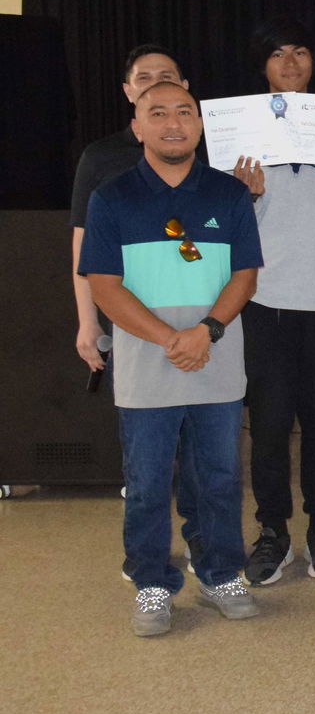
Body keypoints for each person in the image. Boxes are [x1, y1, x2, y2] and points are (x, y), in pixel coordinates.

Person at [79, 81, 262, 636]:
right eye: (157, 113)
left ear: (199, 125)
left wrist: (205, 331)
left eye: (185, 112)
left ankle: (221, 572)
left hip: (216, 361)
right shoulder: (110, 198)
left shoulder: (229, 195)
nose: (173, 123)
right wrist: (169, 338)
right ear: (137, 127)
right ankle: (153, 584)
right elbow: (105, 287)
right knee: (148, 481)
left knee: (219, 478)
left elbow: (245, 276)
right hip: (147, 367)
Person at [233, 17, 315, 585]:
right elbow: (224, 228)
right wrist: (246, 198)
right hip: (261, 300)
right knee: (266, 427)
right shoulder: (237, 130)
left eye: (301, 52)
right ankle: (271, 531)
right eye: (278, 54)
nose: (290, 63)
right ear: (263, 65)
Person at [70, 45, 203, 579]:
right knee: (145, 457)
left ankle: (202, 543)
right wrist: (87, 321)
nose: (156, 87)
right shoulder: (101, 158)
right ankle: (147, 561)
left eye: (167, 79)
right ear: (129, 94)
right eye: (144, 80)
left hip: (198, 323)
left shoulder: (201, 146)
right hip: (131, 322)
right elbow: (83, 246)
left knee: (204, 449)